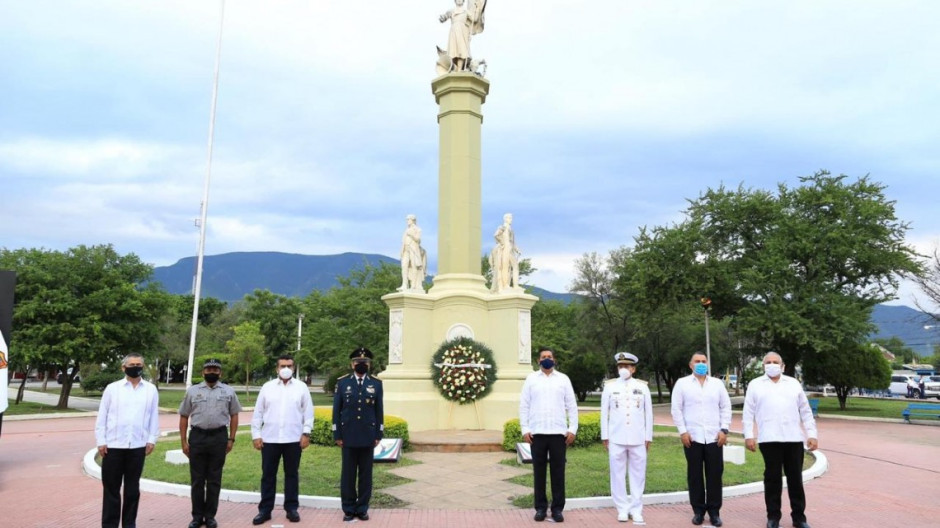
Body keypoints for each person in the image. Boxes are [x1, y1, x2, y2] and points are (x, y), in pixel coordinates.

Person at [742, 352, 818, 528]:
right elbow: (748, 413)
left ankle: (799, 518)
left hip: (793, 439)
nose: (772, 364)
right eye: (768, 362)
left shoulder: (793, 384)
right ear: (763, 366)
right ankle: (773, 517)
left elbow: (805, 411)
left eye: (775, 362)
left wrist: (812, 434)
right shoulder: (755, 385)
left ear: (782, 366)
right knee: (772, 479)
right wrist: (748, 436)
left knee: (795, 480)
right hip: (769, 439)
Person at [95, 353, 160, 528]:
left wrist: (152, 439)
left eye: (139, 364)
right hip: (113, 446)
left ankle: (129, 524)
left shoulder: (150, 390)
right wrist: (101, 440)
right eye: (131, 364)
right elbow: (102, 416)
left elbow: (154, 416)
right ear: (123, 367)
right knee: (111, 490)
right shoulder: (112, 389)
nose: (135, 367)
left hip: (137, 446)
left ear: (143, 367)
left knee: (132, 490)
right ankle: (110, 525)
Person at [178, 358, 243, 528]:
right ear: (203, 372)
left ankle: (210, 516)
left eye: (215, 369)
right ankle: (197, 517)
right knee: (197, 480)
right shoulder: (192, 391)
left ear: (220, 372)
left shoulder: (228, 391)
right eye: (209, 369)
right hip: (198, 438)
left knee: (214, 479)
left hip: (219, 437)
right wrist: (184, 441)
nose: (212, 372)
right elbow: (184, 415)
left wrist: (231, 438)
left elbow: (234, 415)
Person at [250, 354, 314, 525]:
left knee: (292, 475)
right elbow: (258, 413)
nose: (286, 369)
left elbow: (308, 413)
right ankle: (265, 511)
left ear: (293, 368)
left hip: (293, 439)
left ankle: (291, 509)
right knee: (268, 475)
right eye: (283, 366)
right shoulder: (267, 387)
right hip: (270, 439)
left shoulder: (301, 387)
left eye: (289, 366)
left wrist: (306, 433)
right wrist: (256, 435)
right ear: (276, 368)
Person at [670, 353, 732, 527]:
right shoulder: (682, 384)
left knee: (714, 475)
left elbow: (725, 407)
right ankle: (698, 511)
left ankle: (714, 512)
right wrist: (683, 432)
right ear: (690, 365)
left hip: (714, 437)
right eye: (697, 361)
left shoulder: (717, 384)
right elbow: (676, 409)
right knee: (695, 475)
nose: (701, 364)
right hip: (692, 438)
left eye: (704, 361)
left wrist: (724, 429)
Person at [519, 346, 578, 523]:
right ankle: (540, 508)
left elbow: (572, 406)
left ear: (554, 360)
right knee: (539, 473)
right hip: (537, 434)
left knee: (558, 472)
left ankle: (558, 509)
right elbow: (524, 405)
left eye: (549, 356)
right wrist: (525, 429)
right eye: (543, 357)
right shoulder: (531, 379)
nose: (547, 359)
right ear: (538, 361)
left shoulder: (563, 379)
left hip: (558, 434)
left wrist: (572, 429)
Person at [333, 347, 385, 522]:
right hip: (347, 436)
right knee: (347, 475)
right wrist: (337, 434)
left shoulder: (376, 384)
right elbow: (336, 411)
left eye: (365, 362)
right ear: (352, 364)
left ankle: (362, 508)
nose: (361, 364)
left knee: (365, 475)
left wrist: (379, 432)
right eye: (358, 362)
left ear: (369, 365)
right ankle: (348, 509)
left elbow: (379, 411)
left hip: (368, 436)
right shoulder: (343, 383)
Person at [601, 352, 653, 524]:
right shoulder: (609, 387)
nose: (623, 369)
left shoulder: (642, 387)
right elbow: (604, 413)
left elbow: (648, 414)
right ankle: (622, 508)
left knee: (638, 475)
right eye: (620, 366)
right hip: (616, 437)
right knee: (617, 474)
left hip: (638, 437)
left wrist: (648, 436)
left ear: (633, 369)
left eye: (627, 366)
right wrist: (605, 436)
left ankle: (636, 509)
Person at [438, 0, 485, 72]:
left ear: (463, 1)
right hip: (453, 32)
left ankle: (459, 69)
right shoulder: (452, 10)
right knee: (453, 50)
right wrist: (442, 18)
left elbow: (474, 19)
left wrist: (478, 8)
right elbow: (444, 17)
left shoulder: (466, 11)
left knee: (461, 50)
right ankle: (453, 68)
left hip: (463, 32)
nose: (459, 1)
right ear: (455, 1)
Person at [490, 213, 521, 292]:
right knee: (505, 267)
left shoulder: (511, 229)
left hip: (510, 249)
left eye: (511, 218)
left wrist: (517, 249)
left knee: (515, 266)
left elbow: (513, 242)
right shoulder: (502, 227)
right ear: (505, 219)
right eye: (510, 218)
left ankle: (515, 285)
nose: (511, 220)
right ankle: (505, 285)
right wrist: (502, 242)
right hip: (505, 250)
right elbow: (496, 235)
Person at [398, 214, 426, 292]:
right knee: (404, 266)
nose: (407, 221)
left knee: (414, 266)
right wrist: (401, 251)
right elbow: (403, 241)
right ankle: (404, 284)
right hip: (406, 250)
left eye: (408, 219)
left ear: (412, 220)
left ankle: (413, 285)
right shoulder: (406, 230)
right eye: (407, 220)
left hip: (413, 249)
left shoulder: (418, 229)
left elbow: (418, 240)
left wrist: (411, 234)